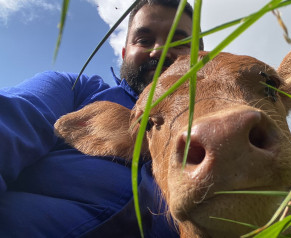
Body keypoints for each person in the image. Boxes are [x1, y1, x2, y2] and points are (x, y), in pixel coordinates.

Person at [0, 0, 203, 237]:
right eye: (144, 40)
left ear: (201, 55)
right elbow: (11, 121)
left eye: (179, 42)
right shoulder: (76, 89)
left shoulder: (215, 124)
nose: (159, 50)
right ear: (126, 52)